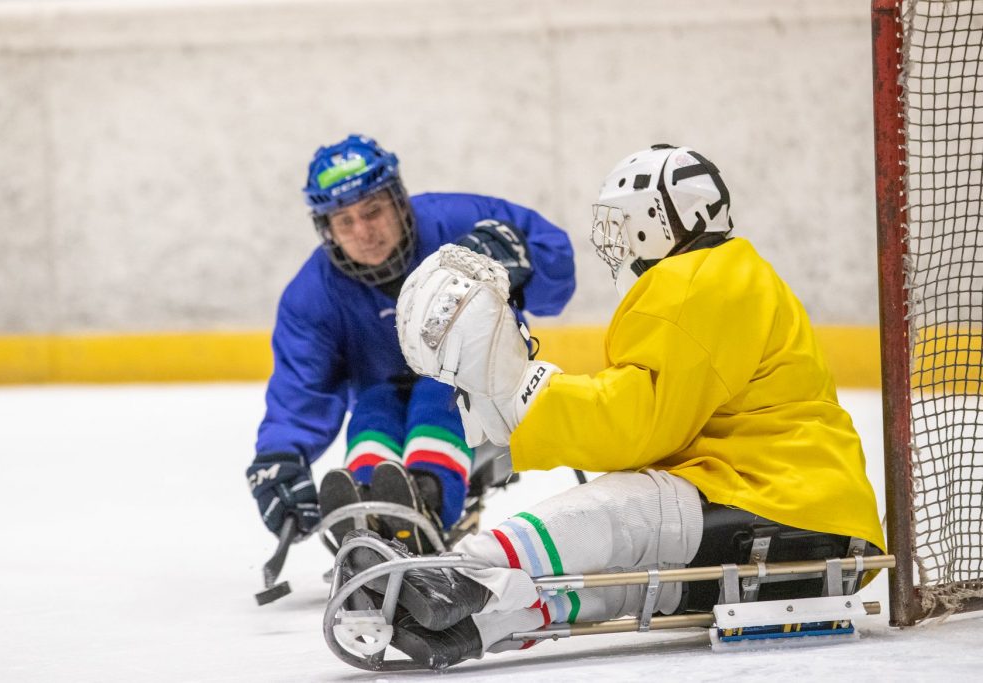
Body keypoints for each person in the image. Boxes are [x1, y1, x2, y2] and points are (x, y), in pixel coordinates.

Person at [345, 144, 887, 668]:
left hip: (775, 498)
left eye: (623, 220)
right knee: (617, 581)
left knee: (615, 516)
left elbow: (637, 424)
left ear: (661, 217)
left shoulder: (698, 282)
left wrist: (525, 391)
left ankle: (455, 576)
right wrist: (537, 395)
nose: (616, 237)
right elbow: (651, 407)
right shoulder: (728, 277)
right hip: (805, 515)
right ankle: (470, 626)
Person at [245, 134, 576, 553]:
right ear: (326, 229)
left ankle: (427, 503)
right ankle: (365, 511)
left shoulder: (456, 221)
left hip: (480, 392)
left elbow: (556, 269)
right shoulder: (312, 294)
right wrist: (279, 458)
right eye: (344, 221)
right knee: (372, 409)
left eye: (373, 211)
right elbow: (303, 390)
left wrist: (523, 259)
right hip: (385, 395)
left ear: (399, 200)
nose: (363, 232)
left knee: (437, 394)